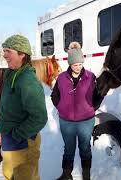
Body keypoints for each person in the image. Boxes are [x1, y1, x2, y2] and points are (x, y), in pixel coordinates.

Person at [0, 34, 47, 180]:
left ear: (22, 54)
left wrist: (16, 135)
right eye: (4, 50)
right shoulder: (11, 75)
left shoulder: (28, 81)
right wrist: (1, 129)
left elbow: (40, 118)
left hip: (24, 142)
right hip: (9, 138)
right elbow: (6, 107)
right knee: (8, 174)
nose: (4, 54)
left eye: (8, 51)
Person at [51, 42, 104, 180]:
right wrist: (61, 107)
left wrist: (93, 107)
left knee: (85, 149)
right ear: (70, 63)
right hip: (66, 122)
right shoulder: (62, 78)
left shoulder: (91, 77)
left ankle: (86, 176)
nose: (78, 67)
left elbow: (98, 95)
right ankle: (66, 175)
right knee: (68, 149)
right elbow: (54, 96)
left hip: (86, 122)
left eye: (80, 64)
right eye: (75, 64)